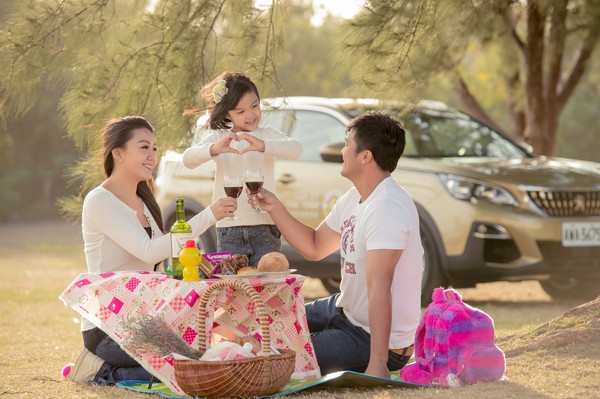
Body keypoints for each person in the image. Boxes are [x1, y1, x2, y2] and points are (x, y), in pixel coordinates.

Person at [248, 111, 424, 378]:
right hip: (345, 309)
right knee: (266, 320)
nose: (342, 151)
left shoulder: (387, 207)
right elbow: (315, 246)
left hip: (376, 341)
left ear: (365, 156)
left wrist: (378, 364)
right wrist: (274, 206)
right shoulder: (355, 197)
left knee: (273, 353)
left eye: (346, 144)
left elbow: (380, 286)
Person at [67, 116, 237, 385]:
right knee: (183, 371)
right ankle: (99, 371)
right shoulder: (100, 200)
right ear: (118, 153)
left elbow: (160, 264)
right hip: (109, 329)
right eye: (144, 147)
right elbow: (149, 251)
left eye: (154, 148)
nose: (152, 155)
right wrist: (209, 215)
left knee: (202, 358)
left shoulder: (144, 200)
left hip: (144, 321)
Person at [182, 71, 302, 266]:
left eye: (255, 106)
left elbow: (296, 149)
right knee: (234, 288)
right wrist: (213, 149)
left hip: (266, 226)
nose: (251, 114)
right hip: (229, 227)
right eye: (240, 111)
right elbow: (188, 159)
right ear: (227, 113)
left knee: (266, 284)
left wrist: (263, 145)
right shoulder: (219, 137)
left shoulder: (266, 135)